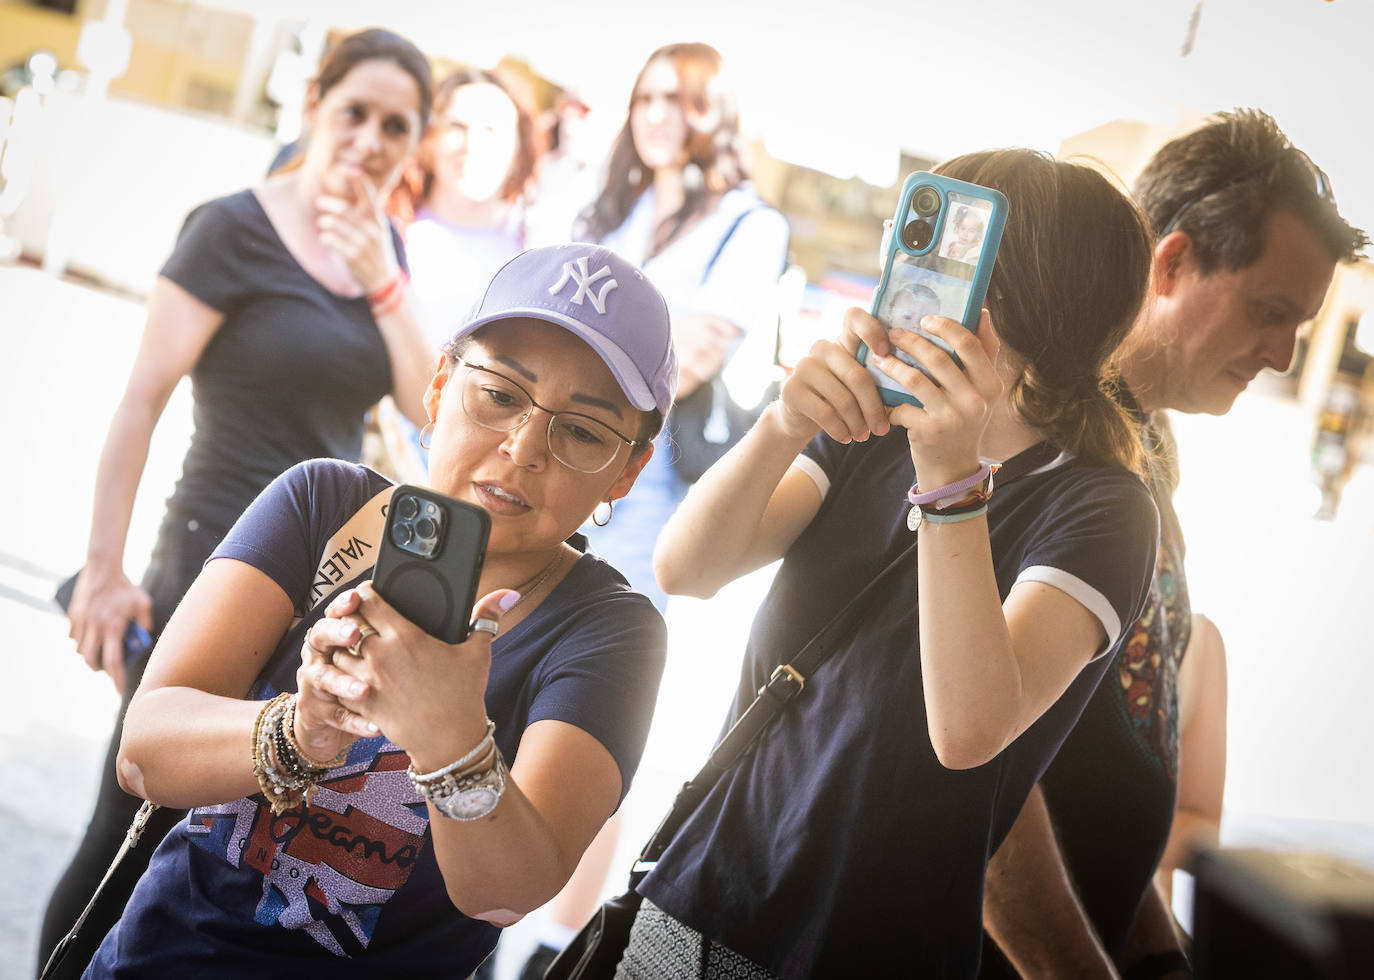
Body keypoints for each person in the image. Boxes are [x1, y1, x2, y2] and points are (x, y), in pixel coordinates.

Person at [627, 148, 1160, 979]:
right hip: (703, 904)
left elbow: (968, 730)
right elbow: (686, 569)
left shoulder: (1101, 509)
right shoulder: (869, 432)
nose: (908, 277)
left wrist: (950, 475)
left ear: (1020, 296)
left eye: (950, 258)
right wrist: (781, 423)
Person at [83, 244, 675, 977]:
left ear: (628, 470)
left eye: (583, 430)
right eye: (498, 394)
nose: (524, 447)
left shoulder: (611, 632)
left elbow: (505, 894)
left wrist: (451, 737)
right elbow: (145, 750)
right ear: (438, 387)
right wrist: (301, 728)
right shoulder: (321, 504)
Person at [41, 28, 438, 975]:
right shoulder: (233, 226)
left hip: (324, 585)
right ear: (313, 110)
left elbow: (432, 416)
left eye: (397, 125)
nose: (372, 141)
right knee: (130, 817)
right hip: (211, 557)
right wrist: (104, 570)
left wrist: (384, 281)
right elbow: (140, 402)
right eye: (355, 114)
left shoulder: (386, 259)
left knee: (238, 837)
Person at [979, 108, 1368, 980]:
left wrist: (1157, 956)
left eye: (1301, 326)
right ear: (1175, 260)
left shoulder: (1147, 450)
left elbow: (1107, 754)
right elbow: (981, 777)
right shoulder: (1036, 440)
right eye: (1270, 313)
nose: (1282, 354)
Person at [573, 40, 790, 612]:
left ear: (712, 109)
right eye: (644, 97)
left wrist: (572, 375)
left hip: (642, 476)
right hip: (556, 451)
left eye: (675, 98)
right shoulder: (614, 208)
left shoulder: (750, 224)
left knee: (602, 638)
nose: (654, 114)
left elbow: (688, 359)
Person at [398, 66, 540, 349]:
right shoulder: (393, 233)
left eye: (491, 129)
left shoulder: (537, 253)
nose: (473, 145)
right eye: (457, 127)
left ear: (518, 149)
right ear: (429, 140)